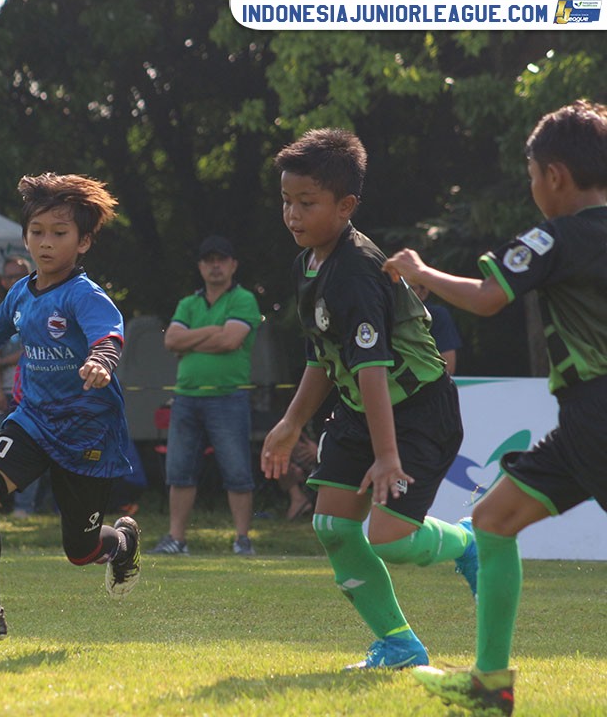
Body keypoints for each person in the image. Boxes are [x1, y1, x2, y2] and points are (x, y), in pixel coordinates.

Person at [383, 100, 607, 717]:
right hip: (581, 426)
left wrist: (421, 270)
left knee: (493, 520)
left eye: (533, 174)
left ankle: (489, 688)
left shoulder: (555, 236)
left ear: (555, 175)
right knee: (493, 519)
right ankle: (489, 688)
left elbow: (486, 299)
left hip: (596, 415)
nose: (533, 187)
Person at [260, 128, 477, 673]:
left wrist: (387, 456)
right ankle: (400, 645)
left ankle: (468, 543)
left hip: (419, 412)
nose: (292, 214)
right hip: (361, 411)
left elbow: (373, 368)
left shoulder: (355, 270)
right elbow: (322, 357)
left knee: (389, 539)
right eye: (286, 201)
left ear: (346, 205)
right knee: (332, 527)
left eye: (306, 203)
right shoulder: (308, 263)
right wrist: (291, 424)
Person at [0, 172, 141, 641]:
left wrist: (100, 360)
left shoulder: (83, 294)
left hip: (87, 433)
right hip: (32, 421)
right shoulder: (21, 293)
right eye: (37, 232)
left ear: (84, 242)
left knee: (78, 551)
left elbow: (109, 335)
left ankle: (122, 542)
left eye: (60, 233)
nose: (46, 243)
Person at [148, 234, 262, 557]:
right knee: (179, 470)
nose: (215, 265)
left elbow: (230, 341)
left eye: (221, 259)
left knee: (237, 470)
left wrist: (191, 339)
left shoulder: (244, 300)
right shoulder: (189, 303)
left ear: (233, 265)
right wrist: (213, 331)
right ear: (200, 266)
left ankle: (242, 539)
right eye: (209, 260)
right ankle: (176, 539)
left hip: (229, 397)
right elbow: (171, 340)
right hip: (185, 397)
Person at [0, 256, 45, 517]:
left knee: (29, 452)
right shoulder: (2, 314)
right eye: (8, 277)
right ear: (3, 282)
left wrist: (3, 361)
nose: (13, 282)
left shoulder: (39, 309)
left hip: (31, 396)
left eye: (19, 276)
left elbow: (33, 349)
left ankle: (24, 507)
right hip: (3, 396)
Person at [410, 283, 462, 375]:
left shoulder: (437, 316)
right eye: (399, 289)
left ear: (424, 293)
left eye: (412, 289)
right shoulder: (383, 316)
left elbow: (448, 368)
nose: (404, 295)